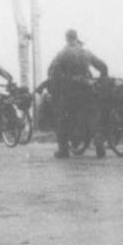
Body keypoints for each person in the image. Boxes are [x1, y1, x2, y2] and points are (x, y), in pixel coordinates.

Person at [47, 29, 108, 158]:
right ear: (76, 38)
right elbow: (103, 67)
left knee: (62, 118)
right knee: (92, 116)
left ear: (66, 38)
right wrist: (101, 80)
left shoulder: (62, 54)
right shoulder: (85, 52)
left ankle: (63, 150)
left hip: (70, 91)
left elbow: (53, 72)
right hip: (87, 88)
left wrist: (57, 88)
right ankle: (98, 143)